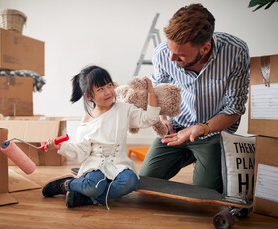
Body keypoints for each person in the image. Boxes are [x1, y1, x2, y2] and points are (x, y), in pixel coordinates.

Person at [139, 3, 250, 193]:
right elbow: (158, 91)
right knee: (145, 181)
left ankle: (204, 159)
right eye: (170, 49)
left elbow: (235, 108)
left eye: (180, 54)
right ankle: (189, 156)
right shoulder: (163, 54)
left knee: (205, 192)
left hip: (213, 132)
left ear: (205, 48)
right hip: (176, 129)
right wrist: (163, 118)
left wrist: (200, 129)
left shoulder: (235, 52)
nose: (172, 58)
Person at [42, 65, 160, 209]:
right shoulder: (87, 120)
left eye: (109, 85)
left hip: (119, 163)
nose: (108, 91)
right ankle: (66, 184)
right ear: (89, 96)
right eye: (100, 89)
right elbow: (81, 151)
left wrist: (151, 92)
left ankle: (86, 198)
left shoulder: (124, 109)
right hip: (95, 165)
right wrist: (60, 146)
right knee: (95, 185)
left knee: (130, 182)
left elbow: (150, 119)